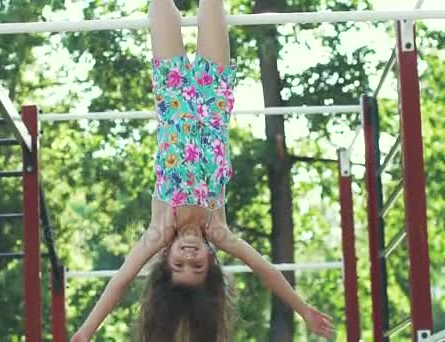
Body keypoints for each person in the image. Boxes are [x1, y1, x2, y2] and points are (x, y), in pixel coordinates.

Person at [71, 0, 334, 340]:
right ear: (211, 265)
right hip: (213, 95)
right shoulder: (219, 230)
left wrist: (85, 332)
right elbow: (265, 270)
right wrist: (303, 309)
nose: (189, 258)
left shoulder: (159, 230)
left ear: (164, 263)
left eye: (179, 265)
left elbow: (121, 281)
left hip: (173, 90)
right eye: (197, 267)